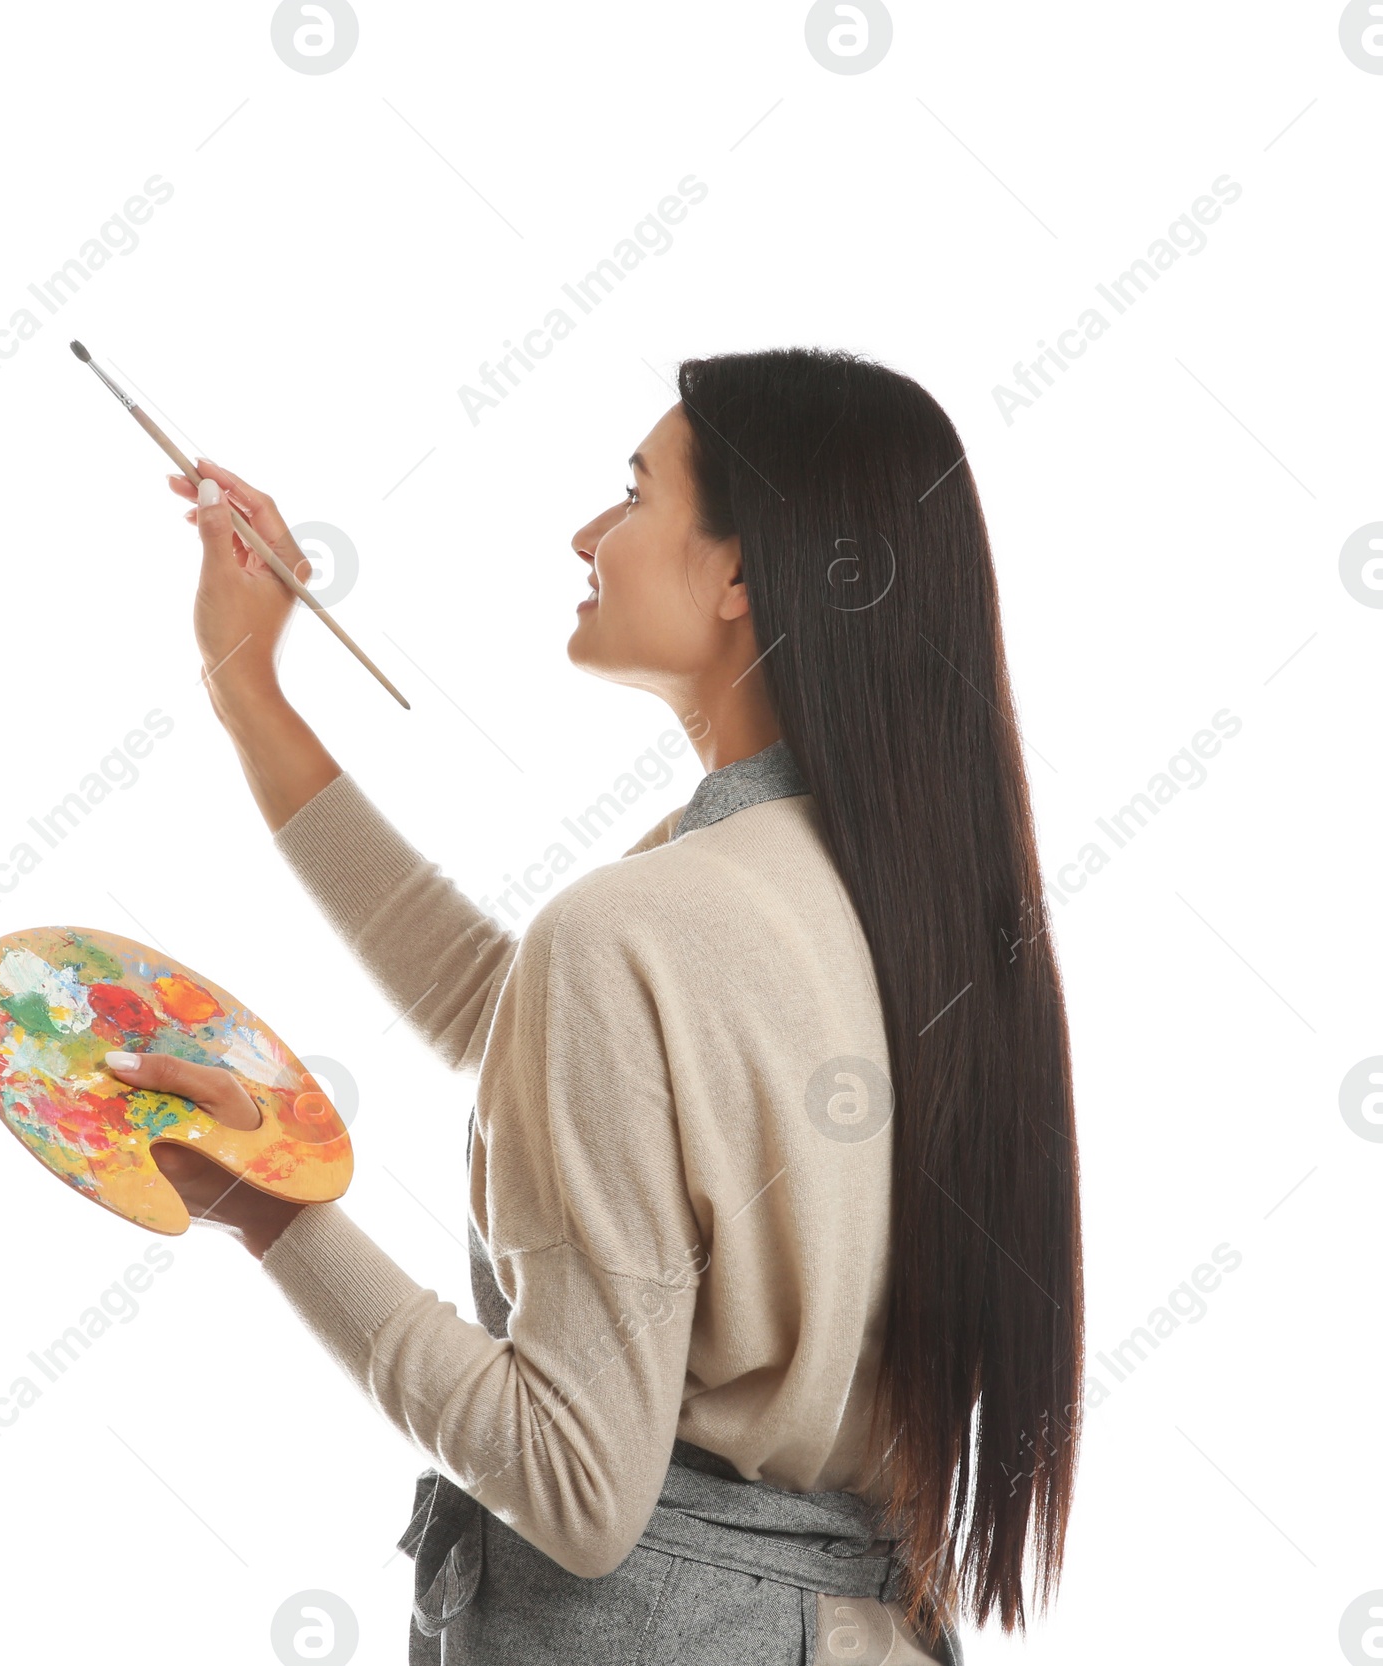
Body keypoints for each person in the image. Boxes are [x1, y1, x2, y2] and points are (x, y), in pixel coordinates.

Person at [106, 347, 1084, 1665]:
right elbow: (524, 1023)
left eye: (632, 495)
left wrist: (263, 1203)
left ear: (741, 575)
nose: (588, 532)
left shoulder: (644, 925)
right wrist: (251, 698)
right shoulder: (893, 889)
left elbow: (575, 1484)